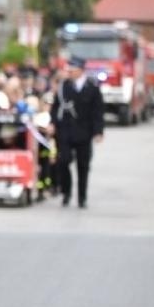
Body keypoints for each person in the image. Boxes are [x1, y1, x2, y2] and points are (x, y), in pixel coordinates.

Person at [51, 55, 105, 208]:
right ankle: (66, 192)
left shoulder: (92, 88)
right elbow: (56, 107)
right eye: (69, 70)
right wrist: (53, 123)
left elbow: (97, 111)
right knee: (63, 161)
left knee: (83, 165)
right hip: (65, 130)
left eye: (73, 70)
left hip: (84, 131)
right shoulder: (63, 87)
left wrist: (98, 131)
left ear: (81, 70)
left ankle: (82, 197)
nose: (70, 73)